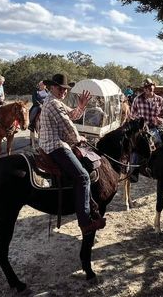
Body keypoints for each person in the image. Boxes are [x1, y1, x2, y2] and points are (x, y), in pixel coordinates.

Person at [38, 73, 106, 235]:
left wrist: (81, 105)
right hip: (54, 145)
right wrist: (78, 138)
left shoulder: (56, 102)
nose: (64, 91)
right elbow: (68, 126)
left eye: (66, 89)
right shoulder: (53, 103)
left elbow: (72, 115)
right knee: (83, 177)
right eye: (60, 88)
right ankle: (85, 222)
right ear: (52, 87)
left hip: (55, 143)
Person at [129, 78, 163, 182]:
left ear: (153, 86)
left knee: (159, 142)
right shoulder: (137, 99)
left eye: (150, 86)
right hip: (140, 128)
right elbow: (132, 114)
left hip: (153, 127)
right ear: (143, 89)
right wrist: (138, 119)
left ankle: (155, 168)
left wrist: (158, 120)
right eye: (146, 87)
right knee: (136, 146)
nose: (148, 89)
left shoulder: (159, 99)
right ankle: (133, 172)